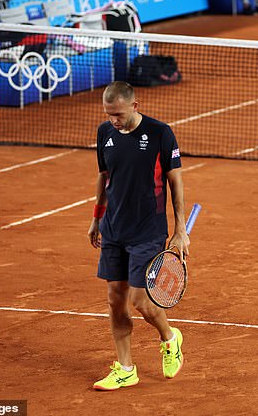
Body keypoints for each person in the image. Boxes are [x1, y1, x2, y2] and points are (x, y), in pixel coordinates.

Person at [88, 81, 190, 390]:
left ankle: (170, 338)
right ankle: (126, 368)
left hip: (147, 230)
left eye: (118, 114)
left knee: (140, 301)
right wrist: (96, 218)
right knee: (115, 300)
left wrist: (180, 229)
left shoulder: (160, 134)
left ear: (135, 106)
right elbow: (104, 176)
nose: (113, 121)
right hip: (114, 229)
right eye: (109, 115)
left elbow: (176, 182)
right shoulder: (105, 133)